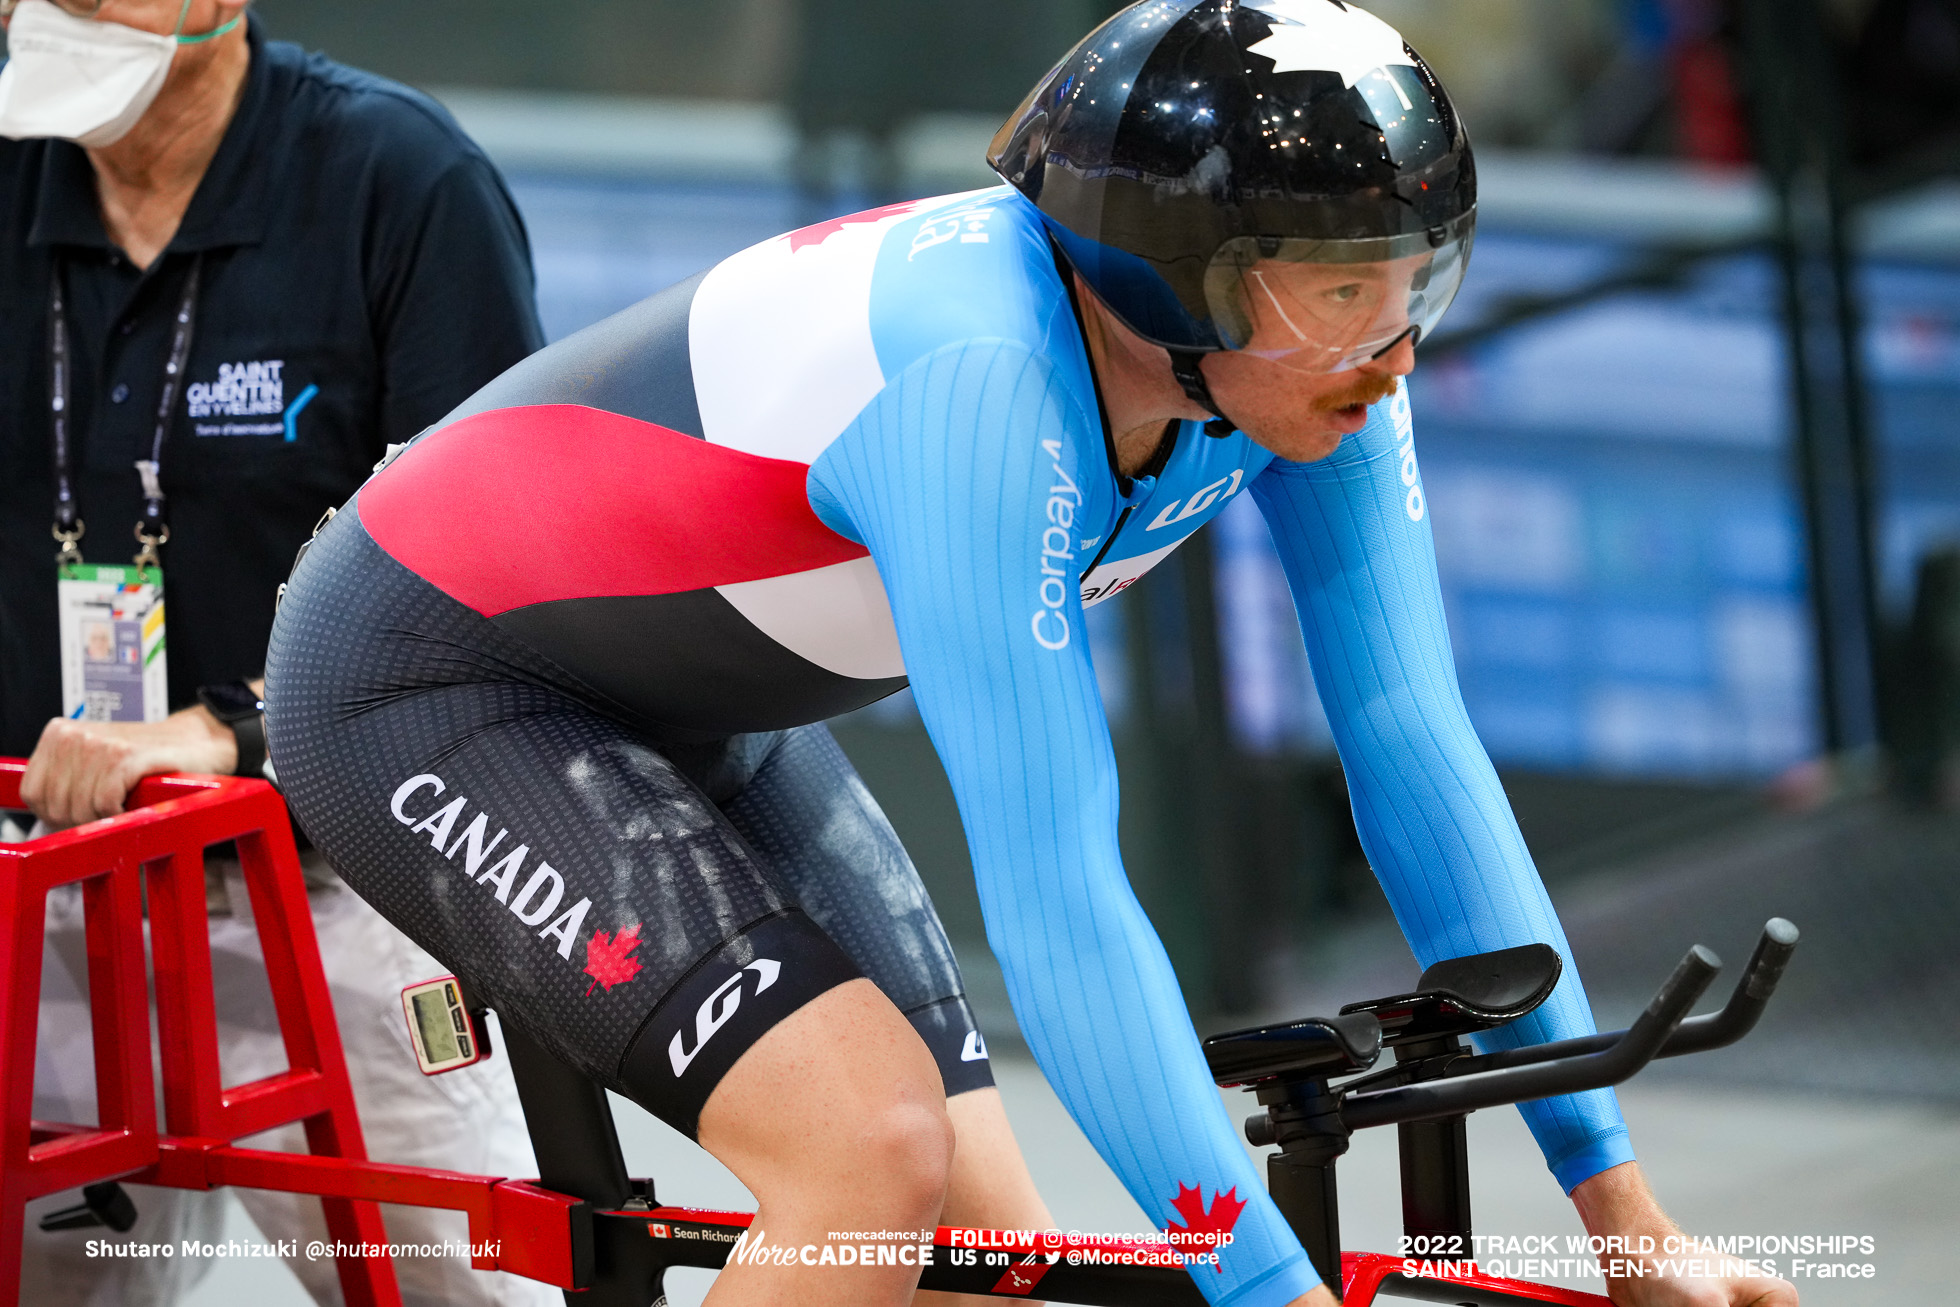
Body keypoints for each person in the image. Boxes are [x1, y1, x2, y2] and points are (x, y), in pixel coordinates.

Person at [263, 2, 1800, 1305]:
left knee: (985, 1249)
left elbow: (1412, 738)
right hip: (434, 681)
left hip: (697, 691)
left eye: (1416, 276)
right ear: (1170, 278)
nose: (1394, 347)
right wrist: (1263, 1286)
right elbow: (1061, 892)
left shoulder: (1300, 373)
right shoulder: (983, 387)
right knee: (866, 1157)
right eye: (1343, 291)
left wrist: (1630, 1230)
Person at [0, 0, 556, 1302]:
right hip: (53, 886)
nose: (47, 13)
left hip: (339, 877)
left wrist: (234, 726)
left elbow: (500, 574)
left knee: (444, 1286)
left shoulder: (400, 180)